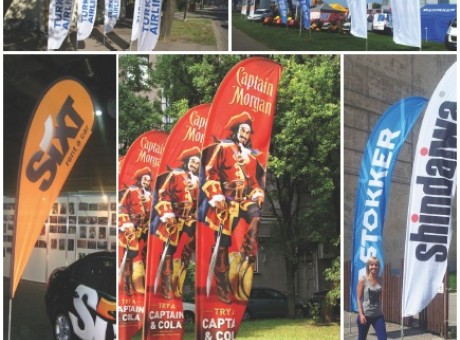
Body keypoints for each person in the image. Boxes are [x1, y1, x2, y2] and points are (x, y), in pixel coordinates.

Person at [202, 111, 264, 304]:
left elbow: (253, 183)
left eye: (248, 132)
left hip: (243, 200)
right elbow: (210, 173)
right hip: (226, 201)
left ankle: (247, 251)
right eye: (243, 130)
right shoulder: (223, 148)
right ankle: (221, 283)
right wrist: (215, 195)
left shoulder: (252, 158)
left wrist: (257, 193)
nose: (245, 135)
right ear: (236, 131)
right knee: (223, 243)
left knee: (256, 214)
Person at [153, 146, 201, 299]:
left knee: (185, 253)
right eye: (193, 161)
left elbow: (201, 203)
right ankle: (165, 284)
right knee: (169, 250)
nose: (194, 164)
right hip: (173, 220)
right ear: (187, 162)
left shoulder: (200, 182)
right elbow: (163, 194)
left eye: (197, 163)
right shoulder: (176, 175)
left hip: (189, 222)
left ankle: (178, 286)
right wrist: (168, 213)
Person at [119, 167, 152, 296]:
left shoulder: (150, 195)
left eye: (149, 180)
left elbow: (152, 213)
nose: (147, 182)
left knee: (143, 257)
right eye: (145, 179)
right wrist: (127, 223)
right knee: (131, 257)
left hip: (145, 229)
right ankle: (129, 286)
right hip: (133, 229)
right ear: (139, 179)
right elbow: (121, 207)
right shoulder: (131, 191)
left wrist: (148, 205)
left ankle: (140, 283)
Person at [356, 256, 387, 340]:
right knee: (361, 338)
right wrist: (361, 314)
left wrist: (382, 310)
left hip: (378, 316)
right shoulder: (363, 280)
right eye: (371, 265)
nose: (374, 267)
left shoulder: (380, 279)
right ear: (368, 266)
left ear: (378, 267)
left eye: (376, 265)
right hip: (365, 316)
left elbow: (380, 296)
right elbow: (358, 299)